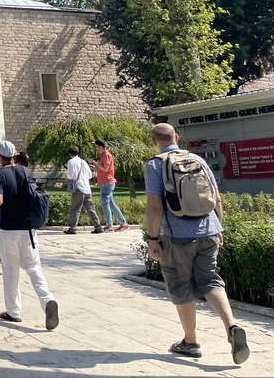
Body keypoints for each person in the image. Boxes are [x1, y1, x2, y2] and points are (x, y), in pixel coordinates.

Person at [145, 123, 249, 364]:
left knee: (180, 286)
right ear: (177, 138)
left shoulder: (155, 164)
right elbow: (216, 197)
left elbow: (154, 205)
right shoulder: (197, 160)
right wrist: (218, 227)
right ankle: (232, 327)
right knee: (210, 280)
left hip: (178, 235)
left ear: (154, 141)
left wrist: (152, 239)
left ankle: (190, 343)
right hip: (209, 230)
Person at [0, 140, 58, 330]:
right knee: (33, 268)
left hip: (9, 230)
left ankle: (13, 312)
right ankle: (47, 300)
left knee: (11, 272)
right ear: (14, 155)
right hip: (28, 230)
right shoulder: (26, 172)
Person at [88, 139, 129, 231]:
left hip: (107, 182)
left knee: (104, 203)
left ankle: (109, 225)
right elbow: (102, 169)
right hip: (105, 183)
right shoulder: (103, 155)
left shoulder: (106, 155)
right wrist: (94, 168)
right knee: (111, 203)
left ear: (101, 147)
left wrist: (94, 162)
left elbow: (105, 169)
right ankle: (123, 223)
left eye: (96, 147)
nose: (96, 149)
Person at [64, 146, 104, 234]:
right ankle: (98, 226)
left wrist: (67, 176)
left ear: (69, 154)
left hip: (78, 187)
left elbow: (71, 175)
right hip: (87, 188)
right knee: (91, 208)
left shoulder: (71, 162)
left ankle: (73, 228)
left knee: (75, 208)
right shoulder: (83, 162)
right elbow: (90, 175)